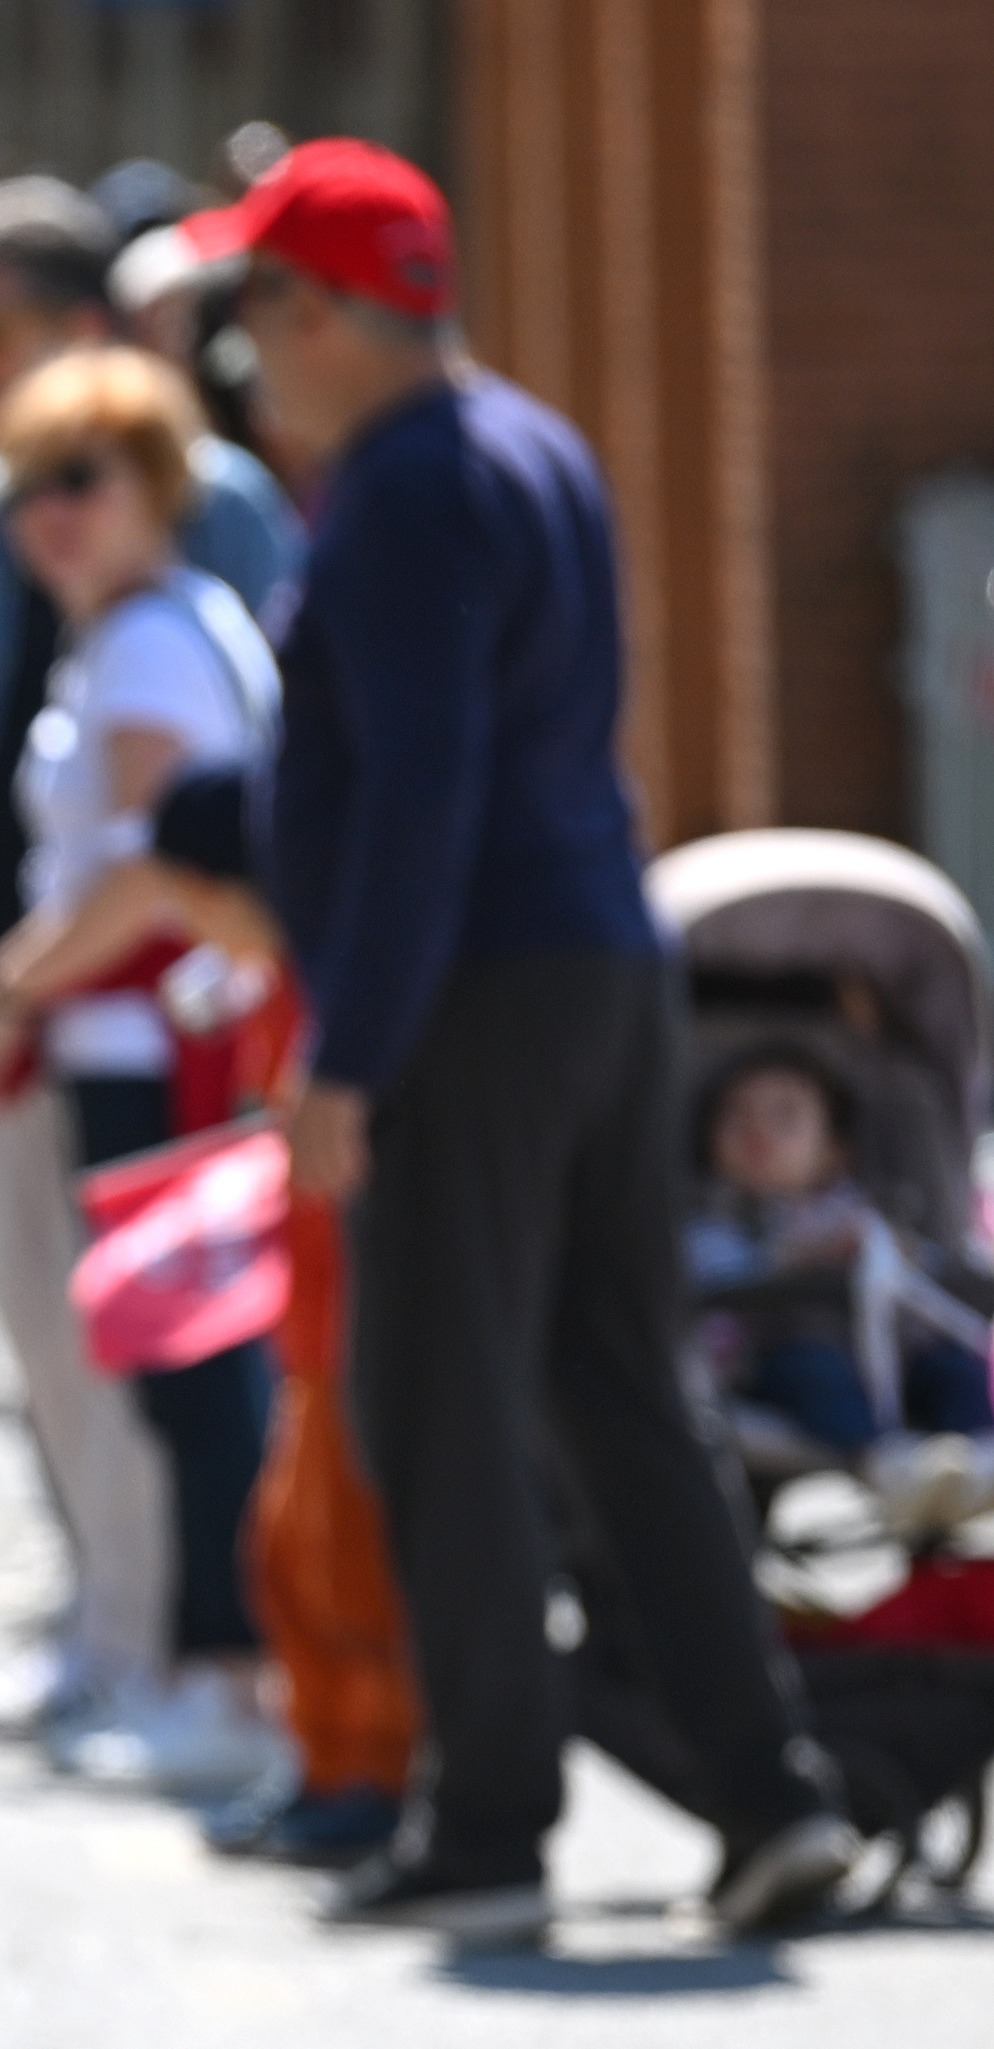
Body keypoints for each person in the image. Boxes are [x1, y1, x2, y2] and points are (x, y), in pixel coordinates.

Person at [218, 136, 857, 1947]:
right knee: (617, 1389)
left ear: (320, 311)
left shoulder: (404, 484)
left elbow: (419, 787)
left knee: (435, 1397)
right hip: (592, 953)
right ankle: (767, 1793)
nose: (245, 351)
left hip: (475, 978)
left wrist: (348, 1044)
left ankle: (488, 1811)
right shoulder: (528, 439)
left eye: (258, 305)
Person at [0, 179, 300, 1483]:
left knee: (172, 1333)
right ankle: (106, 1599)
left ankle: (178, 1629)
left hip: (150, 983)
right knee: (53, 1299)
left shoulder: (210, 515)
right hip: (15, 933)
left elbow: (217, 789)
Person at [0, 346, 283, 1800]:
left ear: (157, 486)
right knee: (159, 1370)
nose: (48, 514)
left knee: (186, 1375)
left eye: (80, 480)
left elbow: (160, 873)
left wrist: (7, 987)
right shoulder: (134, 631)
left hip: (160, 1052)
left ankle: (211, 1670)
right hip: (134, 1046)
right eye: (24, 486)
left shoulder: (150, 645)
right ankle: (160, 1654)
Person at [682, 1042, 994, 1533]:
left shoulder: (864, 1210)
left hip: (892, 1360)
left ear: (834, 1149)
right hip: (779, 1365)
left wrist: (902, 1256)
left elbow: (927, 1292)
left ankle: (976, 1458)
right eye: (735, 1116)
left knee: (953, 1369)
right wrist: (789, 1261)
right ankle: (884, 1465)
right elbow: (709, 1286)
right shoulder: (715, 1222)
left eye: (784, 1117)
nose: (757, 1130)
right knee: (816, 1368)